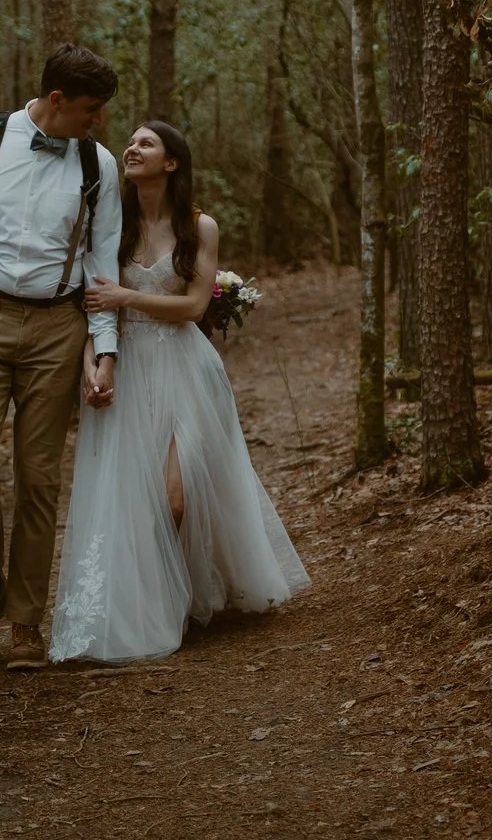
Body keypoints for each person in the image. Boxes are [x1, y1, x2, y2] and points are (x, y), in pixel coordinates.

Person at [47, 121, 308, 664]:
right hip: (126, 369)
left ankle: (192, 591)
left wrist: (127, 296)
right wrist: (92, 369)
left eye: (146, 143)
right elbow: (88, 309)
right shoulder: (107, 224)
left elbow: (193, 306)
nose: (131, 148)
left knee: (175, 496)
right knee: (132, 497)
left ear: (171, 163)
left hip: (185, 368)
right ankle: (161, 604)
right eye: (131, 142)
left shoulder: (199, 226)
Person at [0, 46, 124, 670]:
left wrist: (105, 350)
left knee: (39, 480)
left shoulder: (100, 164)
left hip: (57, 329)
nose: (98, 122)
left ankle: (24, 622)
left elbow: (102, 263)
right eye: (91, 110)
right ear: (58, 100)